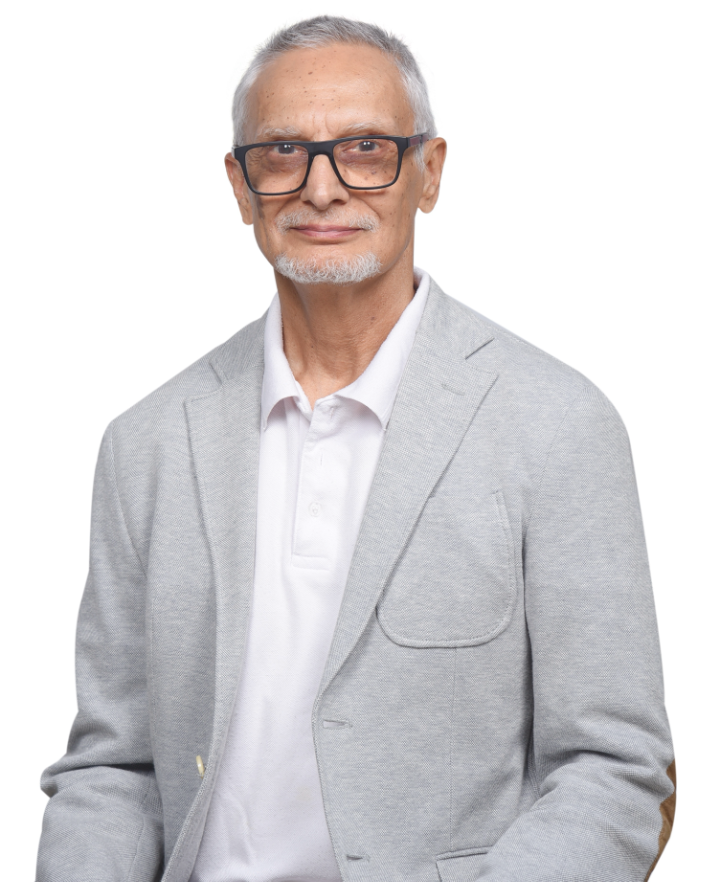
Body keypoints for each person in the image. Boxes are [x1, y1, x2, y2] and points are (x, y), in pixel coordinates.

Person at [36, 15, 675, 882]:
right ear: (240, 185)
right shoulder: (147, 443)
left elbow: (614, 769)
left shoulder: (557, 425)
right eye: (282, 152)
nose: (322, 188)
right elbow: (114, 768)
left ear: (429, 172)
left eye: (366, 149)